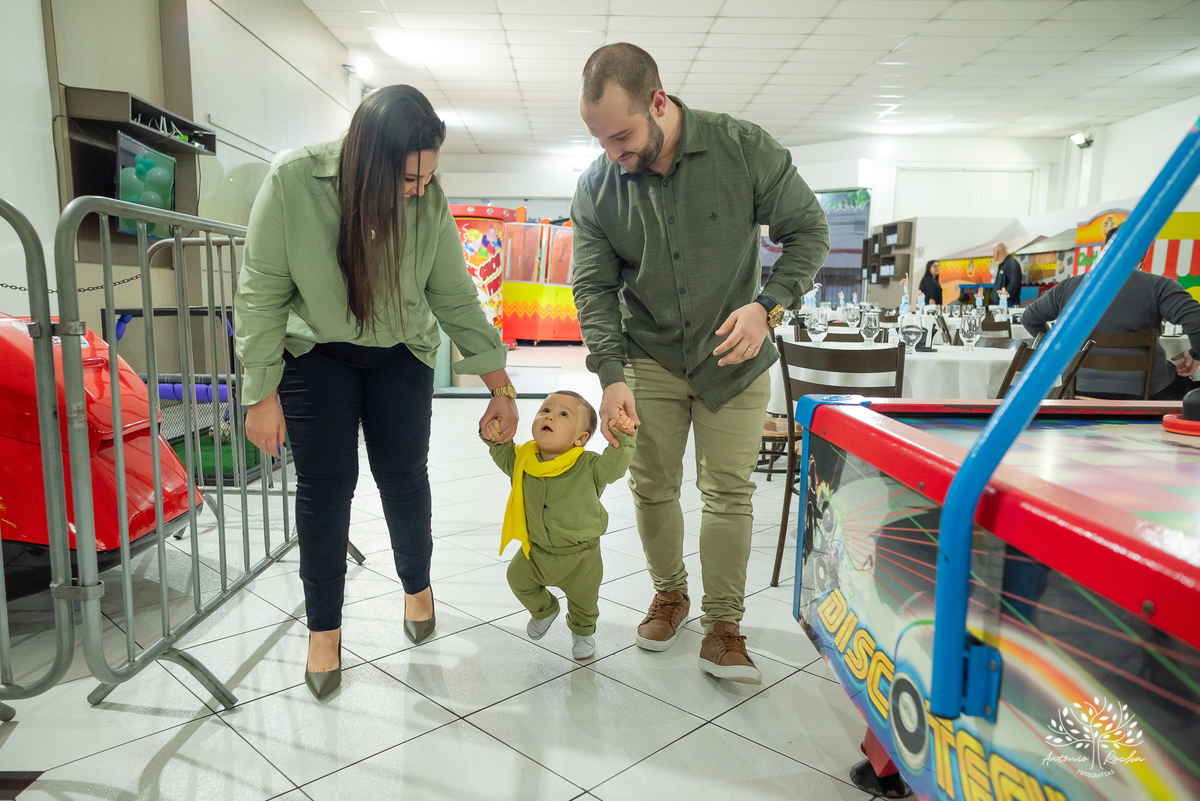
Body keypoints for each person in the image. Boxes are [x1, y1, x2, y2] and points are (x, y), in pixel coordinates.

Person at [234, 85, 519, 700]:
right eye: (411, 178)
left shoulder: (428, 197)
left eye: (428, 178)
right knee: (326, 487)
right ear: (367, 160)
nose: (420, 189)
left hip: (400, 354)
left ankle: (418, 588)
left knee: (403, 478)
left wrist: (500, 383)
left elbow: (452, 294)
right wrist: (260, 393)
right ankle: (324, 630)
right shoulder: (293, 181)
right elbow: (260, 293)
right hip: (316, 355)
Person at [570, 43, 830, 685]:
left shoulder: (741, 147)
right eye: (600, 140)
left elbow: (810, 231)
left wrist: (766, 307)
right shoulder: (598, 187)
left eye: (622, 136)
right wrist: (610, 376)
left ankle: (724, 626)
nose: (613, 154)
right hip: (648, 355)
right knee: (651, 484)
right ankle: (670, 595)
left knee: (728, 492)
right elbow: (593, 289)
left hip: (733, 355)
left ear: (659, 101)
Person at [482, 391, 637, 661]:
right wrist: (495, 435)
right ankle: (544, 610)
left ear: (580, 439)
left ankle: (583, 632)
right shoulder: (524, 460)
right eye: (545, 410)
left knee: (584, 602)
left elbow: (615, 466)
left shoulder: (589, 466)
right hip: (537, 551)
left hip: (581, 557)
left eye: (564, 414)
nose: (550, 415)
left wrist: (624, 438)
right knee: (517, 578)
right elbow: (502, 451)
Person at [1021, 226, 1200, 400]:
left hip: (1078, 388)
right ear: (1143, 255)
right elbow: (1196, 320)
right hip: (1148, 391)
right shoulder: (1159, 286)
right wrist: (1196, 354)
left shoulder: (1068, 287)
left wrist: (1056, 348)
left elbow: (1029, 318)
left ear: (1104, 251)